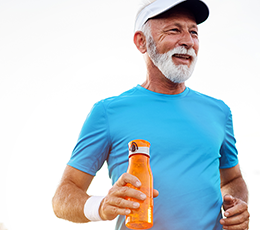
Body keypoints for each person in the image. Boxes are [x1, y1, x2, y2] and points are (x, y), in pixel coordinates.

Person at [51, 1, 249, 229]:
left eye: (193, 32)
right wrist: (102, 205)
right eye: (174, 30)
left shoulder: (219, 112)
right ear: (141, 41)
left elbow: (233, 180)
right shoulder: (107, 112)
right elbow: (62, 198)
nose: (187, 41)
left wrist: (237, 204)